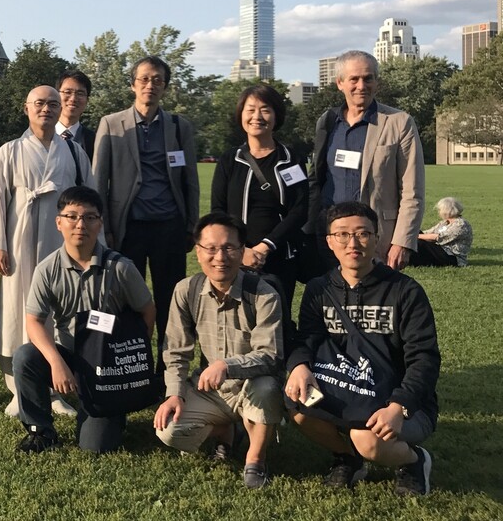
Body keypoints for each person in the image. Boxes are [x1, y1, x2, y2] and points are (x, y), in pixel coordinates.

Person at [286, 201, 440, 496]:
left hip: (399, 401)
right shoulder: (319, 288)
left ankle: (414, 460)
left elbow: (425, 357)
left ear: (377, 236)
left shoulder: (405, 291)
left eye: (362, 233)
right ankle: (348, 457)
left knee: (367, 439)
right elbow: (308, 337)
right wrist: (300, 366)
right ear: (330, 242)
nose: (352, 243)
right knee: (297, 404)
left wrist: (399, 407)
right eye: (342, 235)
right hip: (348, 389)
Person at [13, 186, 156, 453]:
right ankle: (40, 430)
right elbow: (33, 320)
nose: (81, 225)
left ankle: (112, 408)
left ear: (100, 223)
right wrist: (56, 362)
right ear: (59, 223)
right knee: (26, 357)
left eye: (90, 217)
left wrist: (128, 354)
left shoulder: (121, 267)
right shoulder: (47, 269)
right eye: (72, 216)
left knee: (94, 447)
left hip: (107, 363)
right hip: (68, 354)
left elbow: (147, 310)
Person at [0, 85, 95, 417]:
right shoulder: (10, 151)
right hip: (19, 243)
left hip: (62, 245)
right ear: (26, 108)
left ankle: (54, 388)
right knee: (17, 311)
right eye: (40, 103)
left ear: (61, 110)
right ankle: (19, 389)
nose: (47, 109)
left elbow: (90, 201)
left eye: (53, 104)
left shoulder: (74, 153)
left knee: (61, 312)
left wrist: (88, 245)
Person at [154, 212, 284, 489]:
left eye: (229, 248)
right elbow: (176, 350)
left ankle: (255, 460)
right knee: (168, 429)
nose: (220, 257)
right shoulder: (186, 290)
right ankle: (226, 431)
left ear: (242, 250)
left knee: (267, 387)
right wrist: (174, 394)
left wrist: (227, 366)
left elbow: (270, 354)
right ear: (198, 252)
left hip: (252, 385)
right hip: (213, 391)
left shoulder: (264, 293)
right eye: (210, 249)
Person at [93, 55, 199, 369]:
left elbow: (190, 180)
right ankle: (132, 361)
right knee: (127, 300)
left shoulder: (179, 127)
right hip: (129, 228)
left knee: (171, 300)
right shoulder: (111, 125)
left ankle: (167, 369)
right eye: (144, 79)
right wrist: (105, 228)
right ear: (133, 85)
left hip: (169, 226)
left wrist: (191, 223)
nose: (150, 85)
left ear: (164, 87)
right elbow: (100, 182)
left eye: (157, 80)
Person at [305, 50, 425, 273]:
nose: (361, 86)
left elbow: (412, 191)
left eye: (368, 78)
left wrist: (402, 242)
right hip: (330, 239)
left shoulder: (399, 123)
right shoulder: (328, 122)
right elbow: (317, 178)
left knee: (374, 302)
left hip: (376, 238)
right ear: (339, 83)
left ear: (376, 82)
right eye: (354, 79)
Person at [211, 84, 308, 320]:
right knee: (234, 322)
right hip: (234, 259)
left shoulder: (290, 159)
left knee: (276, 323)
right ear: (241, 114)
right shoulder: (229, 160)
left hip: (278, 258)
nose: (257, 117)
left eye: (265, 110)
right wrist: (241, 251)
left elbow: (300, 209)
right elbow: (217, 212)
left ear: (276, 116)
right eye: (250, 109)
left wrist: (265, 247)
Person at [409, 197, 473, 267]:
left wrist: (414, 236)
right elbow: (428, 232)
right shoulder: (445, 222)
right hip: (440, 250)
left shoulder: (461, 225)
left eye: (440, 210)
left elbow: (438, 237)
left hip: (451, 256)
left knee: (419, 243)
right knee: (417, 236)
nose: (439, 212)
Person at [56, 69, 95, 160]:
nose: (73, 99)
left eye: (80, 93)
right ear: (56, 96)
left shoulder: (95, 141)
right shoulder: (39, 137)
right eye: (68, 92)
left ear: (87, 100)